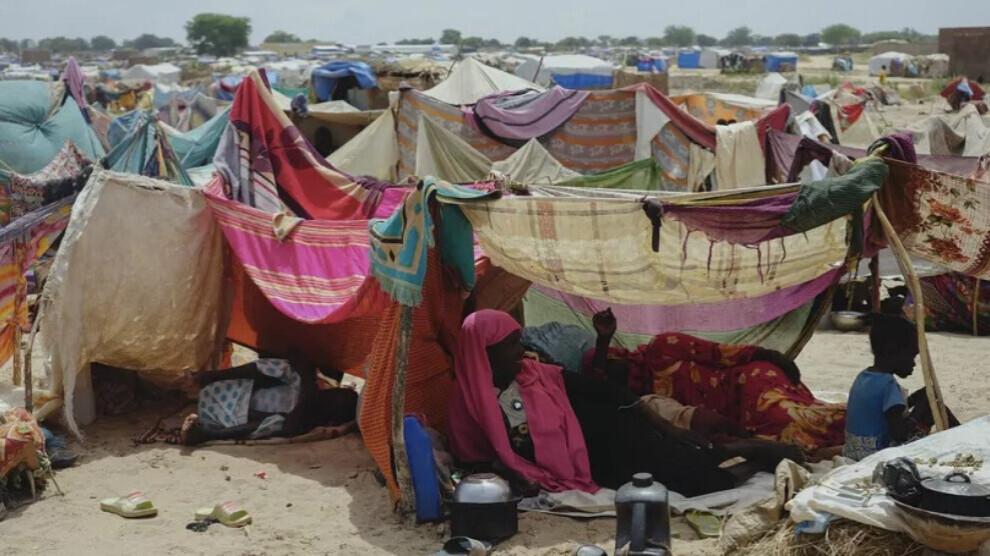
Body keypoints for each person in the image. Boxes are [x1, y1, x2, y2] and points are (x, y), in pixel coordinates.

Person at [448, 310, 802, 498]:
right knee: (698, 482)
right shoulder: (466, 406)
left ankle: (751, 450)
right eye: (510, 344)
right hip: (595, 462)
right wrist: (514, 476)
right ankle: (756, 457)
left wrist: (664, 426)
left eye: (518, 341)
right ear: (483, 352)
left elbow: (608, 392)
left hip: (612, 433)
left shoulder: (536, 373)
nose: (520, 351)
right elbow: (475, 463)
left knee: (690, 467)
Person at [586, 309, 845, 454]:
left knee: (786, 418)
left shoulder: (661, 347)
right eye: (606, 373)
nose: (613, 371)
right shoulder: (649, 405)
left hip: (747, 381)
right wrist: (602, 343)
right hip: (734, 412)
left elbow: (719, 353)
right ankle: (851, 438)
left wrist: (773, 357)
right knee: (778, 439)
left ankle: (858, 428)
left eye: (610, 362)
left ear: (619, 355)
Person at [843, 314, 959, 460]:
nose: (913, 364)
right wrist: (918, 412)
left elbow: (890, 411)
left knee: (928, 401)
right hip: (876, 453)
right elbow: (899, 433)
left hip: (854, 450)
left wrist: (918, 398)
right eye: (912, 356)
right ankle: (964, 436)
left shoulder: (864, 376)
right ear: (896, 352)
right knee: (933, 409)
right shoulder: (888, 384)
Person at [179, 355, 358, 446]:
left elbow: (290, 423)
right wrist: (307, 383)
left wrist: (307, 395)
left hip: (227, 418)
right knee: (281, 368)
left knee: (278, 424)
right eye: (330, 395)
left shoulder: (304, 422)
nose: (325, 399)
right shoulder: (306, 384)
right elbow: (295, 355)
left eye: (331, 404)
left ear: (330, 420)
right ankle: (210, 376)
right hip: (226, 389)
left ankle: (207, 435)